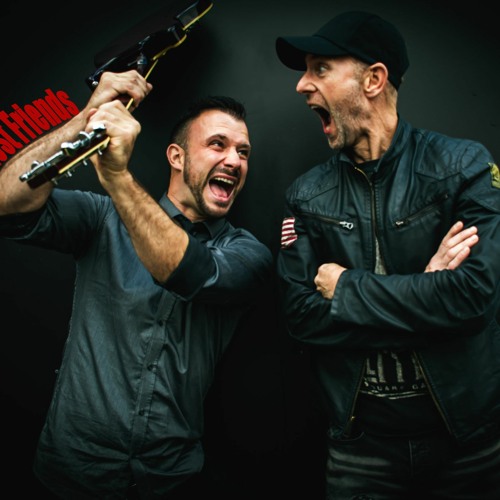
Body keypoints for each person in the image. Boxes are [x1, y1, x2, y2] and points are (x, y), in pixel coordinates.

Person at [0, 69, 273, 499]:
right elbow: (6, 203)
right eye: (218, 144)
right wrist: (85, 119)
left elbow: (188, 272)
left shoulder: (248, 253)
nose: (235, 161)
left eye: (243, 152)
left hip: (170, 480)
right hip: (71, 472)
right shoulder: (101, 219)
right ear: (177, 156)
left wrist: (117, 178)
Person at [274, 10, 500, 499]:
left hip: (468, 444)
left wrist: (345, 288)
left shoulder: (463, 168)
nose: (302, 85)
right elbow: (300, 317)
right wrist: (429, 286)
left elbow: (474, 297)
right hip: (361, 451)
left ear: (373, 80)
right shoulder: (307, 196)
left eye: (320, 69)